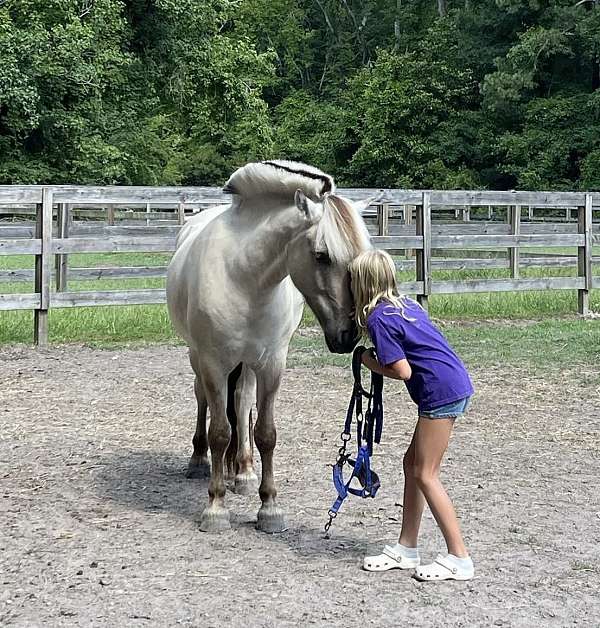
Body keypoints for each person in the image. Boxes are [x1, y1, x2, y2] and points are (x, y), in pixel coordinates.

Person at [349, 249, 475, 582]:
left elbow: (402, 370)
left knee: (426, 473)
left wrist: (367, 361)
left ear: (360, 284)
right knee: (413, 466)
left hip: (439, 393)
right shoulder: (407, 306)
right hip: (451, 383)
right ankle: (407, 547)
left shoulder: (378, 318)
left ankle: (459, 558)